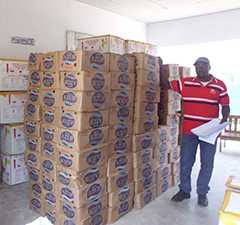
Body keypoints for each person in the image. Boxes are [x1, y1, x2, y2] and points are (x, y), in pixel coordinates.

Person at [163, 57, 230, 207]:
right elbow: (166, 84)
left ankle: (202, 193)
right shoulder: (185, 82)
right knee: (186, 162)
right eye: (197, 65)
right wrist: (159, 67)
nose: (200, 68)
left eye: (203, 65)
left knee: (207, 164)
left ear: (209, 67)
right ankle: (185, 191)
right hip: (189, 131)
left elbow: (225, 105)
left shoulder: (219, 85)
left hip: (209, 133)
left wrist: (224, 119)